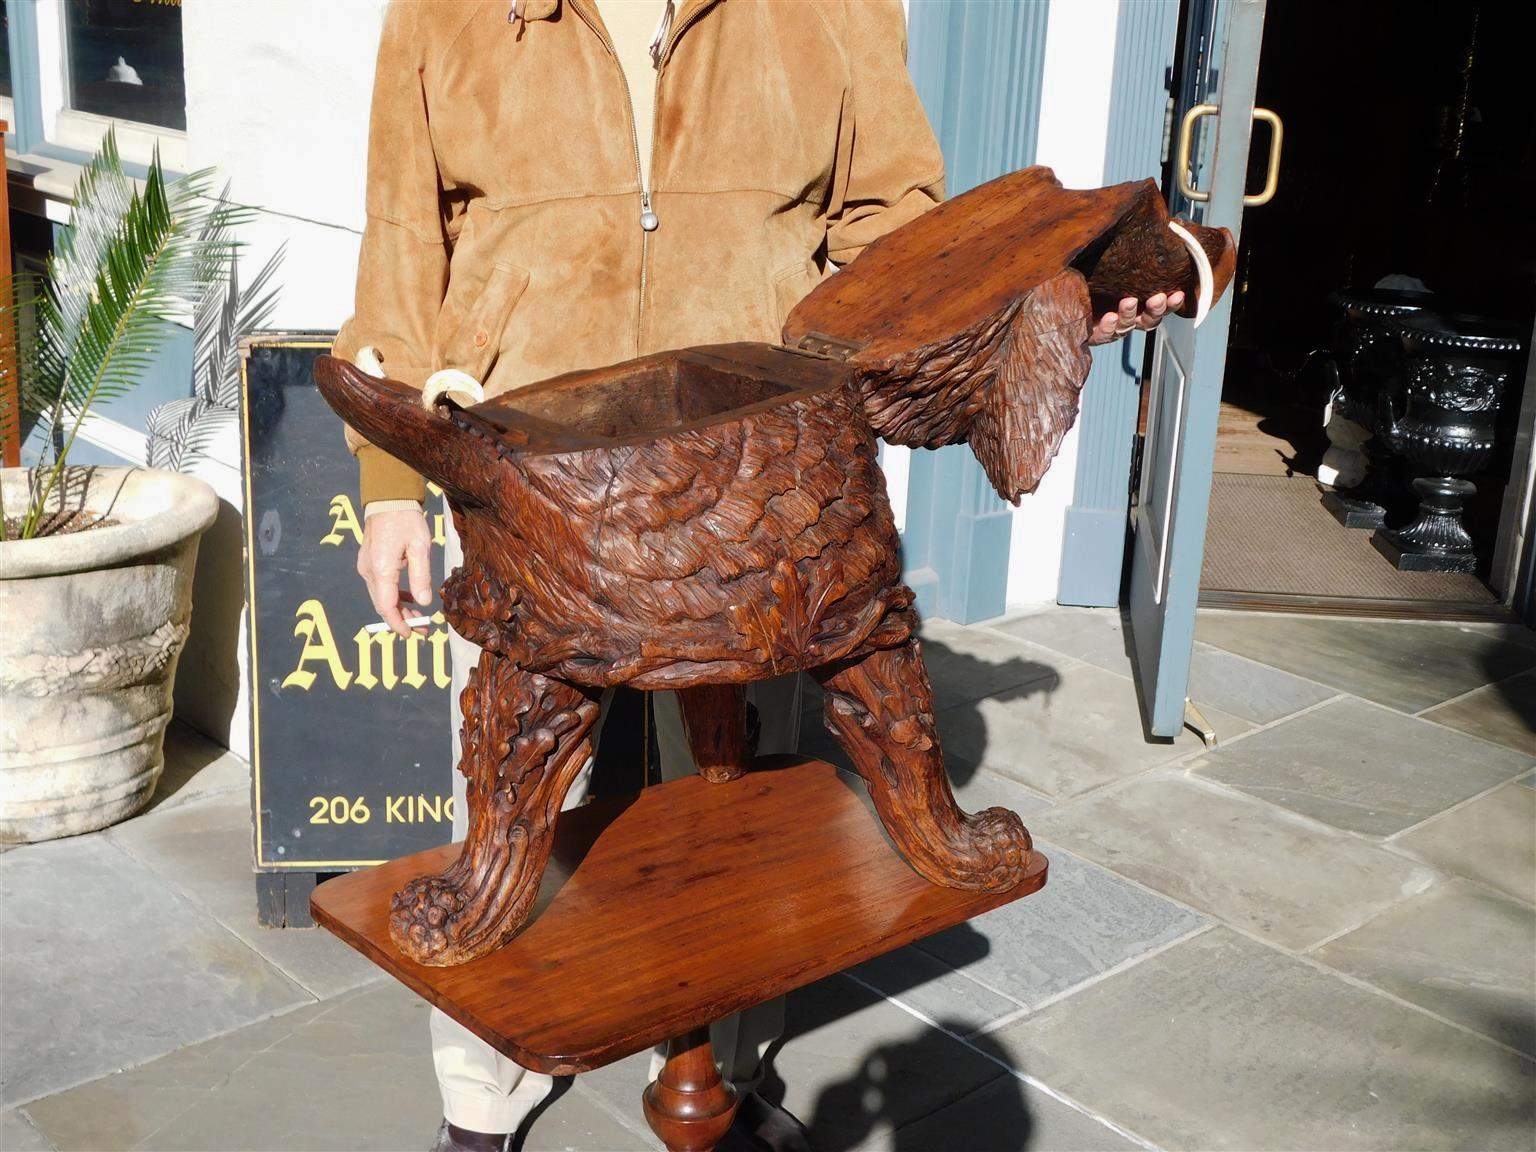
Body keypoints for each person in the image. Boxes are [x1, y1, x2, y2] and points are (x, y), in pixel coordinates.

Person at [334, 2, 1178, 1149]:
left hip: (751, 492)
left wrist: (1045, 300)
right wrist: (390, 485)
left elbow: (901, 240)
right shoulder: (445, 13)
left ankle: (719, 1077)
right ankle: (485, 1098)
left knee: (734, 811)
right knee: (516, 800)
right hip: (535, 482)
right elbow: (399, 253)